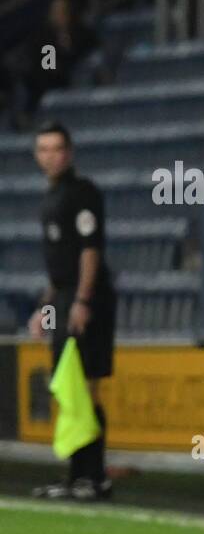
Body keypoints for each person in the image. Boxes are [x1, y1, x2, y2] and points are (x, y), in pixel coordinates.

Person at [27, 122, 117, 501]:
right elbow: (58, 265)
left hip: (87, 299)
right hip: (63, 297)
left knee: (86, 387)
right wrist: (44, 308)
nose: (50, 156)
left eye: (57, 148)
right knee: (68, 390)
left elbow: (89, 251)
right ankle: (76, 474)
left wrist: (82, 301)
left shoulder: (83, 193)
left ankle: (93, 477)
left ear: (70, 152)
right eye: (43, 149)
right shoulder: (50, 198)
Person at [7, 0, 102, 128]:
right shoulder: (44, 33)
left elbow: (93, 44)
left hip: (68, 71)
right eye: (55, 12)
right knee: (32, 74)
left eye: (62, 11)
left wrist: (68, 47)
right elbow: (40, 53)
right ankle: (22, 116)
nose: (58, 15)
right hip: (46, 71)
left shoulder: (78, 30)